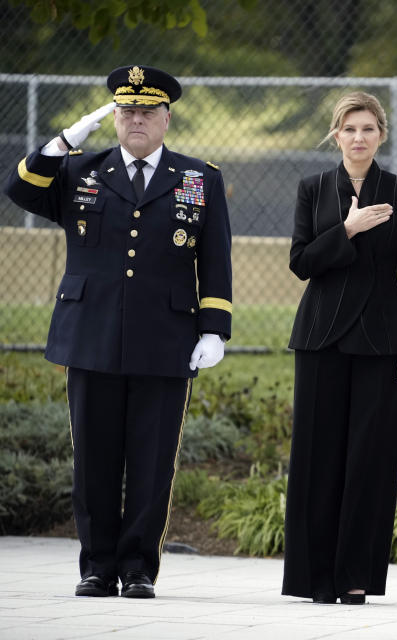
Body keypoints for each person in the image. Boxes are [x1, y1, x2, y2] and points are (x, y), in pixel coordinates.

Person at [3, 65, 233, 599]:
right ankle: (96, 566)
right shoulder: (80, 171)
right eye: (126, 111)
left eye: (147, 112)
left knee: (152, 462)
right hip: (92, 333)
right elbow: (18, 188)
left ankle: (137, 569)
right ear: (113, 119)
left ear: (166, 119)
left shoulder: (199, 178)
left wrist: (214, 328)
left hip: (166, 336)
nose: (136, 120)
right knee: (95, 458)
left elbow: (215, 260)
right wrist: (62, 142)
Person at [282, 91, 397, 605]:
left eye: (368, 128)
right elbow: (301, 262)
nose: (359, 137)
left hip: (382, 342)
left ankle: (355, 576)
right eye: (349, 129)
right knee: (317, 456)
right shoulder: (313, 188)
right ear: (335, 135)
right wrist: (347, 228)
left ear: (381, 135)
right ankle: (314, 577)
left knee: (370, 458)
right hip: (320, 336)